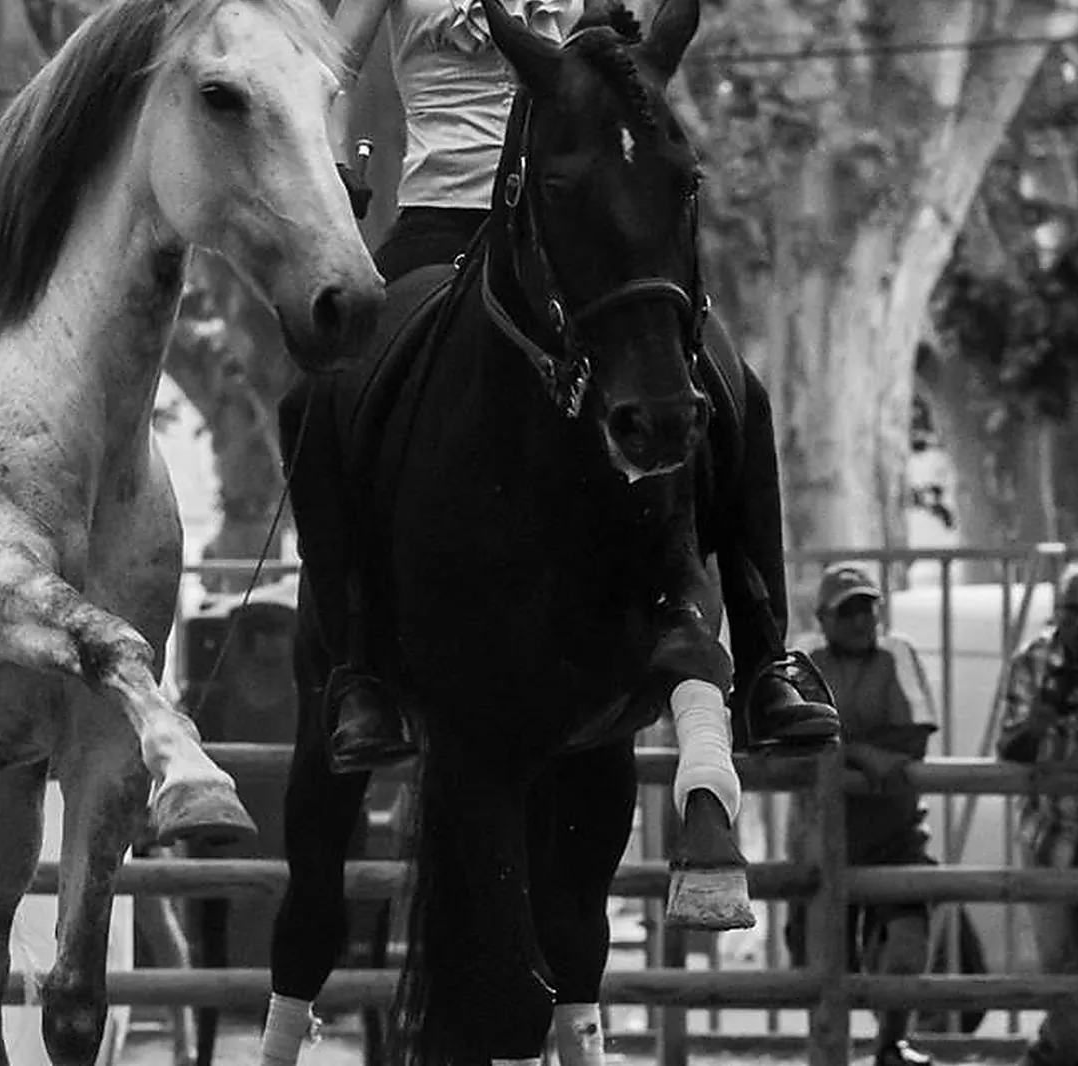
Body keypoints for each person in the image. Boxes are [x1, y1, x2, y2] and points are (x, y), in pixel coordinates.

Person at [286, 0, 839, 780]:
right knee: (312, 400)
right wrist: (334, 169)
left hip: (575, 224)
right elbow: (324, 73)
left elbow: (634, 63)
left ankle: (765, 658)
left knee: (735, 384)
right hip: (442, 219)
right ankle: (359, 665)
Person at [784, 563, 941, 1066]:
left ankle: (892, 1043)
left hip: (896, 831)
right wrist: (863, 756)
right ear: (822, 618)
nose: (859, 620)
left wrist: (841, 748)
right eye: (847, 609)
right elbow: (793, 735)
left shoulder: (898, 652)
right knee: (821, 958)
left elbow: (916, 734)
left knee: (907, 943)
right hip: (820, 833)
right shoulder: (803, 659)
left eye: (866, 607)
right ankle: (828, 1053)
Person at [995, 562, 1078, 1066]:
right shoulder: (1032, 659)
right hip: (1049, 832)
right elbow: (1008, 745)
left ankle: (1043, 1057)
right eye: (1072, 610)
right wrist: (1036, 725)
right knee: (1062, 974)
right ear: (1056, 613)